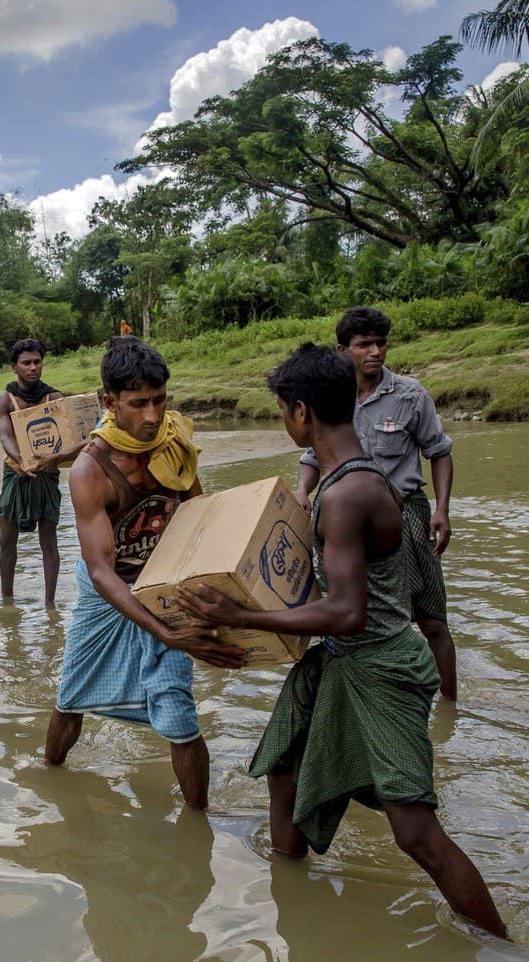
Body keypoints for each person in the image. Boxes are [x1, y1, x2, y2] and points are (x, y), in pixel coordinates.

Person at [176, 343, 507, 939]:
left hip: (379, 666)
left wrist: (240, 616)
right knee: (282, 767)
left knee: (415, 834)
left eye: (282, 409)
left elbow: (349, 612)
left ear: (301, 413)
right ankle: (293, 891)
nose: (283, 420)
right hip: (340, 662)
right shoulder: (342, 481)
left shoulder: (346, 494)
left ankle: (498, 944)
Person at [43, 337, 242, 808]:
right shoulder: (91, 470)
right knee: (71, 695)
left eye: (160, 400)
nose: (152, 415)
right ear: (109, 402)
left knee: (179, 712)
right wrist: (166, 634)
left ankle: (199, 821)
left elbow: (200, 518)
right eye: (138, 404)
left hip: (164, 585)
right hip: (107, 590)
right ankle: (48, 778)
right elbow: (100, 570)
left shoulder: (174, 444)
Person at [296, 307, 458, 700]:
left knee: (430, 617)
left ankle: (451, 705)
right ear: (342, 349)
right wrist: (301, 491)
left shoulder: (409, 394)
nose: (375, 352)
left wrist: (441, 509)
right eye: (364, 344)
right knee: (358, 614)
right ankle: (375, 693)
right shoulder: (332, 397)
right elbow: (314, 456)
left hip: (406, 514)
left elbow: (439, 451)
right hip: (345, 518)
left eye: (381, 343)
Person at [0, 339, 80, 605]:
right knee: (7, 541)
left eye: (37, 362)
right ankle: (8, 601)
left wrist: (57, 458)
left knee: (49, 541)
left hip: (48, 473)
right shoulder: (3, 401)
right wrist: (21, 458)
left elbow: (70, 438)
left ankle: (50, 603)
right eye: (26, 363)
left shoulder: (54, 398)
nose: (33, 368)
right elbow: (5, 435)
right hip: (16, 473)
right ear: (14, 367)